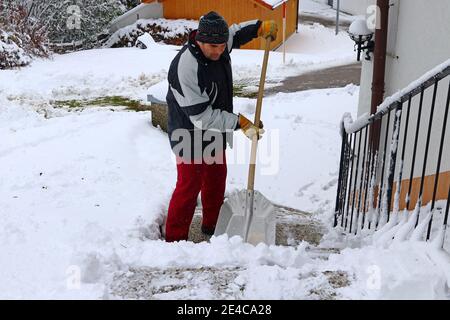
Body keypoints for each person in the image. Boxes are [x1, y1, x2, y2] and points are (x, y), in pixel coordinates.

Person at [165, 11, 278, 242]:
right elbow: (201, 117)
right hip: (188, 131)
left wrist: (259, 27)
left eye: (221, 46)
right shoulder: (186, 66)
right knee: (189, 185)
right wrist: (239, 123)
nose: (218, 51)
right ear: (199, 40)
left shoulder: (219, 43)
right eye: (212, 47)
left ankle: (213, 226)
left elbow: (236, 33)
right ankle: (174, 240)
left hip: (213, 128)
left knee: (216, 178)